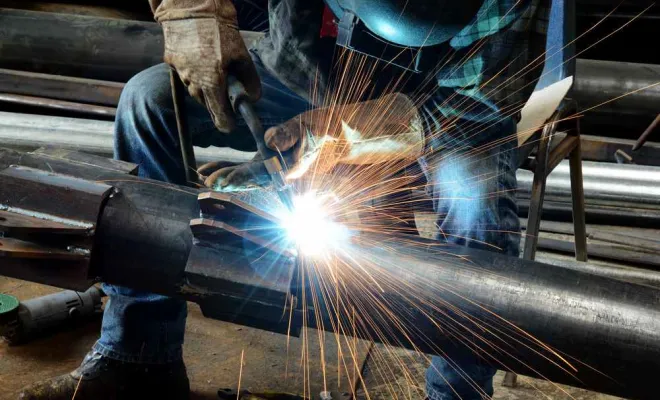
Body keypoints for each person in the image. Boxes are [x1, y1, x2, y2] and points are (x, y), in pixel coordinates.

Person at [19, 0, 548, 399]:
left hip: (442, 104)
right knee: (149, 101)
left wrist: (349, 132)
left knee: (477, 200)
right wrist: (192, 11)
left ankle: (455, 394)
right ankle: (140, 355)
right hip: (303, 72)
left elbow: (486, 99)